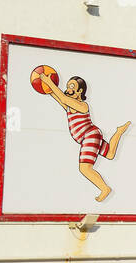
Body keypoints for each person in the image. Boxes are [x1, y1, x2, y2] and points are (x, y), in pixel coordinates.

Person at [37, 72, 130, 202]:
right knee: (109, 154)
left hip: (89, 135)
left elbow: (63, 99)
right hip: (91, 135)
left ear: (80, 91)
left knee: (84, 168)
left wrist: (49, 82)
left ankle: (104, 189)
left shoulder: (82, 105)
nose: (68, 89)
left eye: (72, 87)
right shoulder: (70, 105)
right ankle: (119, 132)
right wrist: (47, 88)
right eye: (68, 86)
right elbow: (60, 99)